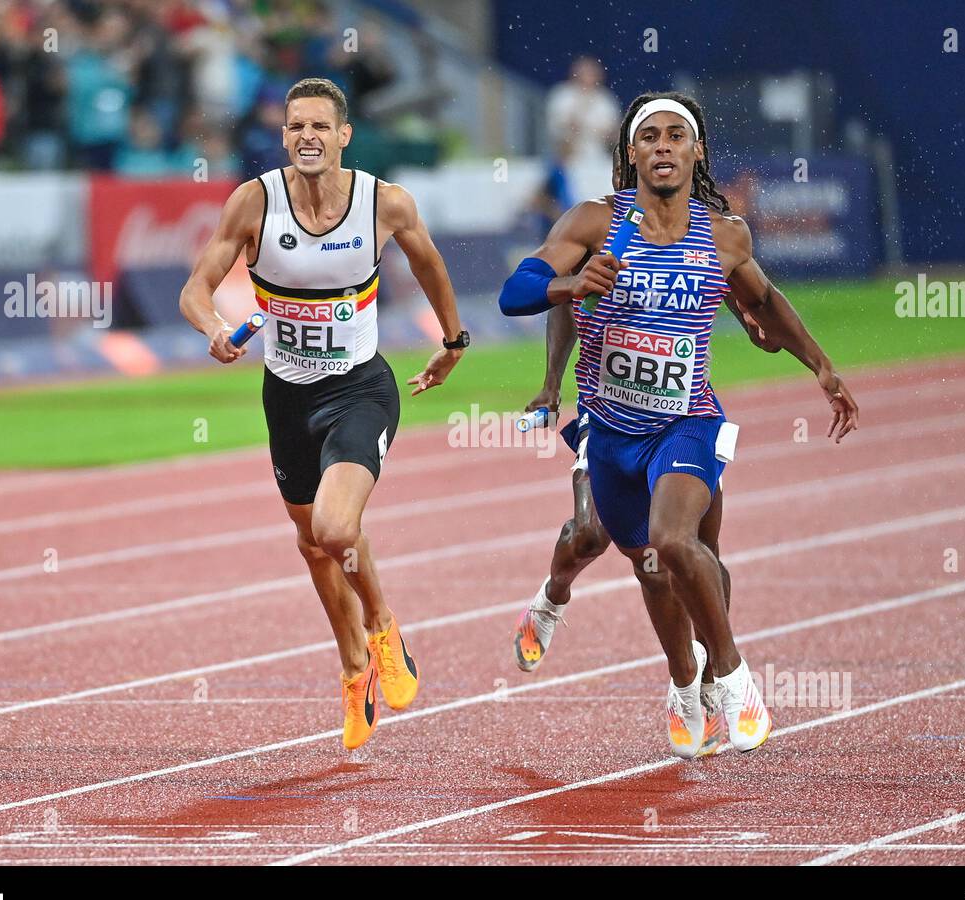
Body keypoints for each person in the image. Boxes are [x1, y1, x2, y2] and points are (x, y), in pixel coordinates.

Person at [499, 91, 859, 759]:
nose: (662, 147)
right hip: (609, 431)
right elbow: (516, 291)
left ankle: (733, 676)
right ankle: (678, 682)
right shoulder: (594, 224)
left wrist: (821, 366)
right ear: (629, 152)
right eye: (649, 138)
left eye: (676, 137)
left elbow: (765, 300)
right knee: (645, 562)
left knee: (680, 540)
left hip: (687, 420)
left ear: (696, 152)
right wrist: (566, 291)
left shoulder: (725, 235)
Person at [180, 77, 469, 751]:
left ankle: (382, 624)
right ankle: (351, 668)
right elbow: (196, 287)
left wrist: (453, 341)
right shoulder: (253, 203)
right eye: (295, 126)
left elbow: (430, 265)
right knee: (313, 544)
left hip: (359, 388)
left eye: (320, 127)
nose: (306, 137)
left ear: (343, 136)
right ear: (284, 136)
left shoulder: (383, 203)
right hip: (286, 396)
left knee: (339, 528)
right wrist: (213, 328)